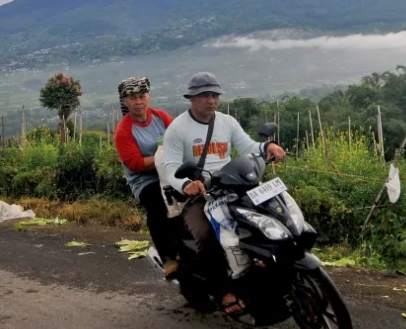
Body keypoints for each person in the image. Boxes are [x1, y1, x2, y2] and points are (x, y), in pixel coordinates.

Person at [162, 72, 286, 316]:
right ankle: (223, 291)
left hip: (233, 187)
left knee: (271, 218)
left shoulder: (227, 122)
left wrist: (267, 147)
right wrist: (187, 184)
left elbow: (248, 146)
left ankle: (269, 274)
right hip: (199, 196)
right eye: (205, 95)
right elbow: (170, 167)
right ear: (192, 98)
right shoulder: (177, 129)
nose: (211, 100)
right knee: (208, 237)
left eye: (215, 95)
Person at [113, 76, 180, 279]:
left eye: (142, 96)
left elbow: (179, 137)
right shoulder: (124, 131)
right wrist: (161, 156)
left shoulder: (160, 117)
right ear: (125, 102)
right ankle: (168, 258)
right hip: (146, 181)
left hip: (170, 172)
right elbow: (134, 164)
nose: (138, 101)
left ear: (149, 97)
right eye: (133, 98)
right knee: (159, 204)